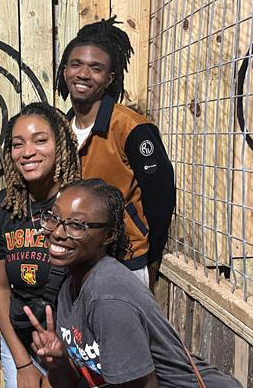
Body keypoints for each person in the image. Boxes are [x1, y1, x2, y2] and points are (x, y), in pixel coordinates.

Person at [25, 179, 251, 388]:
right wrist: (59, 361)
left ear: (109, 235)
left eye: (76, 225)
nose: (57, 232)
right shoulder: (71, 285)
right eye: (54, 218)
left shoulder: (107, 296)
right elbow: (68, 384)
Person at [56, 17, 175, 289]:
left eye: (95, 68)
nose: (84, 74)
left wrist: (149, 257)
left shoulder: (130, 128)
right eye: (76, 65)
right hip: (76, 260)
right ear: (64, 71)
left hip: (124, 261)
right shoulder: (61, 128)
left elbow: (161, 198)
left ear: (109, 78)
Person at [0, 102, 80, 388]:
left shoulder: (82, 203)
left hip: (71, 342)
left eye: (40, 140)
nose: (27, 152)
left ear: (60, 144)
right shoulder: (2, 208)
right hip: (20, 339)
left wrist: (60, 370)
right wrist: (23, 363)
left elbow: (90, 294)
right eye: (17, 144)